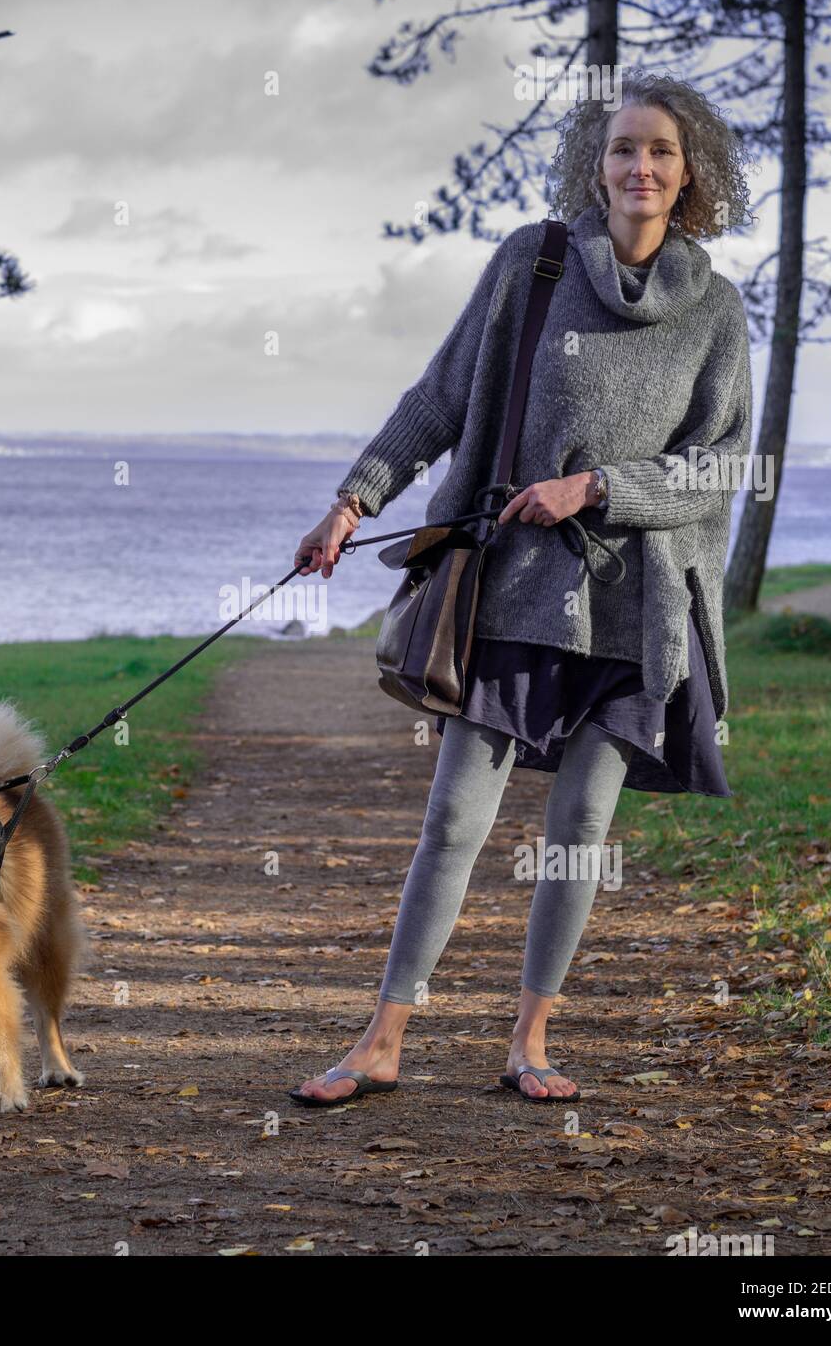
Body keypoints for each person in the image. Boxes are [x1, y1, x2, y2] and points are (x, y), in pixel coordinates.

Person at [290, 70, 755, 1106]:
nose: (640, 167)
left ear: (691, 176)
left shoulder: (716, 310)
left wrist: (597, 486)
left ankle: (530, 1044)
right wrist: (353, 501)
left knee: (578, 834)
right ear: (597, 166)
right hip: (511, 595)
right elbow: (443, 396)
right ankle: (381, 1039)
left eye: (661, 153)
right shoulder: (534, 264)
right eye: (623, 148)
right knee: (454, 819)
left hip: (639, 607)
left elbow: (722, 462)